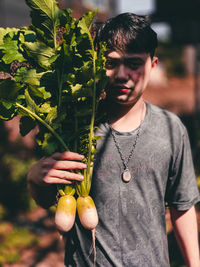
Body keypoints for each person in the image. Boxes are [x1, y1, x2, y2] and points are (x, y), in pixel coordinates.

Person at [27, 13, 200, 266]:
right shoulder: (74, 126)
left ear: (153, 65)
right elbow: (48, 199)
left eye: (133, 63)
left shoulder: (170, 128)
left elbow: (182, 206)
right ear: (98, 64)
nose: (122, 74)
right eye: (111, 63)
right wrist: (34, 180)